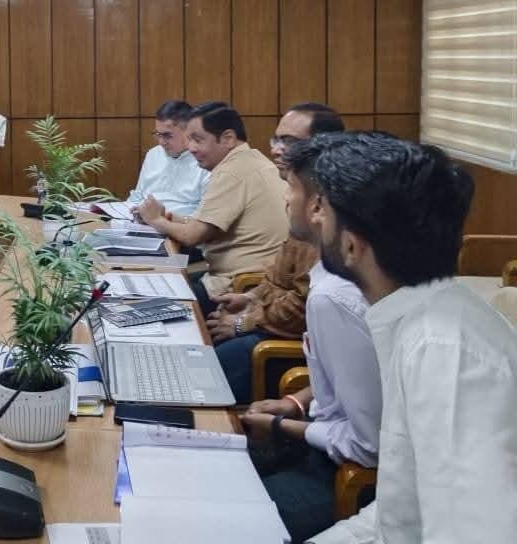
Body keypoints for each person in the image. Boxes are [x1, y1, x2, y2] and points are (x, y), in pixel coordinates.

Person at [295, 132, 517, 543]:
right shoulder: (417, 319)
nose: (313, 217)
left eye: (323, 209)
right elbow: (399, 514)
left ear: (351, 245)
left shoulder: (443, 351)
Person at [236, 129, 381, 542]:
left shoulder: (336, 297)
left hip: (343, 475)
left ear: (318, 206)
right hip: (324, 442)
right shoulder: (334, 280)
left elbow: (368, 446)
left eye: (291, 188)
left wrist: (282, 426)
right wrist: (295, 403)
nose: (285, 199)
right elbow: (357, 380)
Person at [208, 103, 346, 401]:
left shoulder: (327, 212)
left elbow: (302, 307)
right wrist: (249, 298)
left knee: (215, 365)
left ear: (322, 147)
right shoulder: (301, 195)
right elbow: (279, 275)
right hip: (274, 319)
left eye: (289, 142)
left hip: (292, 343)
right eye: (276, 139)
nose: (276, 150)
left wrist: (244, 323)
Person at [138, 102, 287, 314]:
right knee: (161, 282)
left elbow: (192, 236)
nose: (191, 148)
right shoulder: (250, 159)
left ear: (228, 138)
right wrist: (168, 216)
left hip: (241, 286)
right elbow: (205, 223)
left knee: (151, 303)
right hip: (247, 278)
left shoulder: (232, 172)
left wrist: (156, 221)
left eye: (198, 140)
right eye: (189, 139)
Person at [128, 100, 210, 218]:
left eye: (167, 135)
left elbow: (205, 217)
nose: (161, 142)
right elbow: (137, 196)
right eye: (158, 134)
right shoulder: (154, 154)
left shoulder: (206, 160)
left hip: (179, 226)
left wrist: (161, 218)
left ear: (189, 132)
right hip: (141, 222)